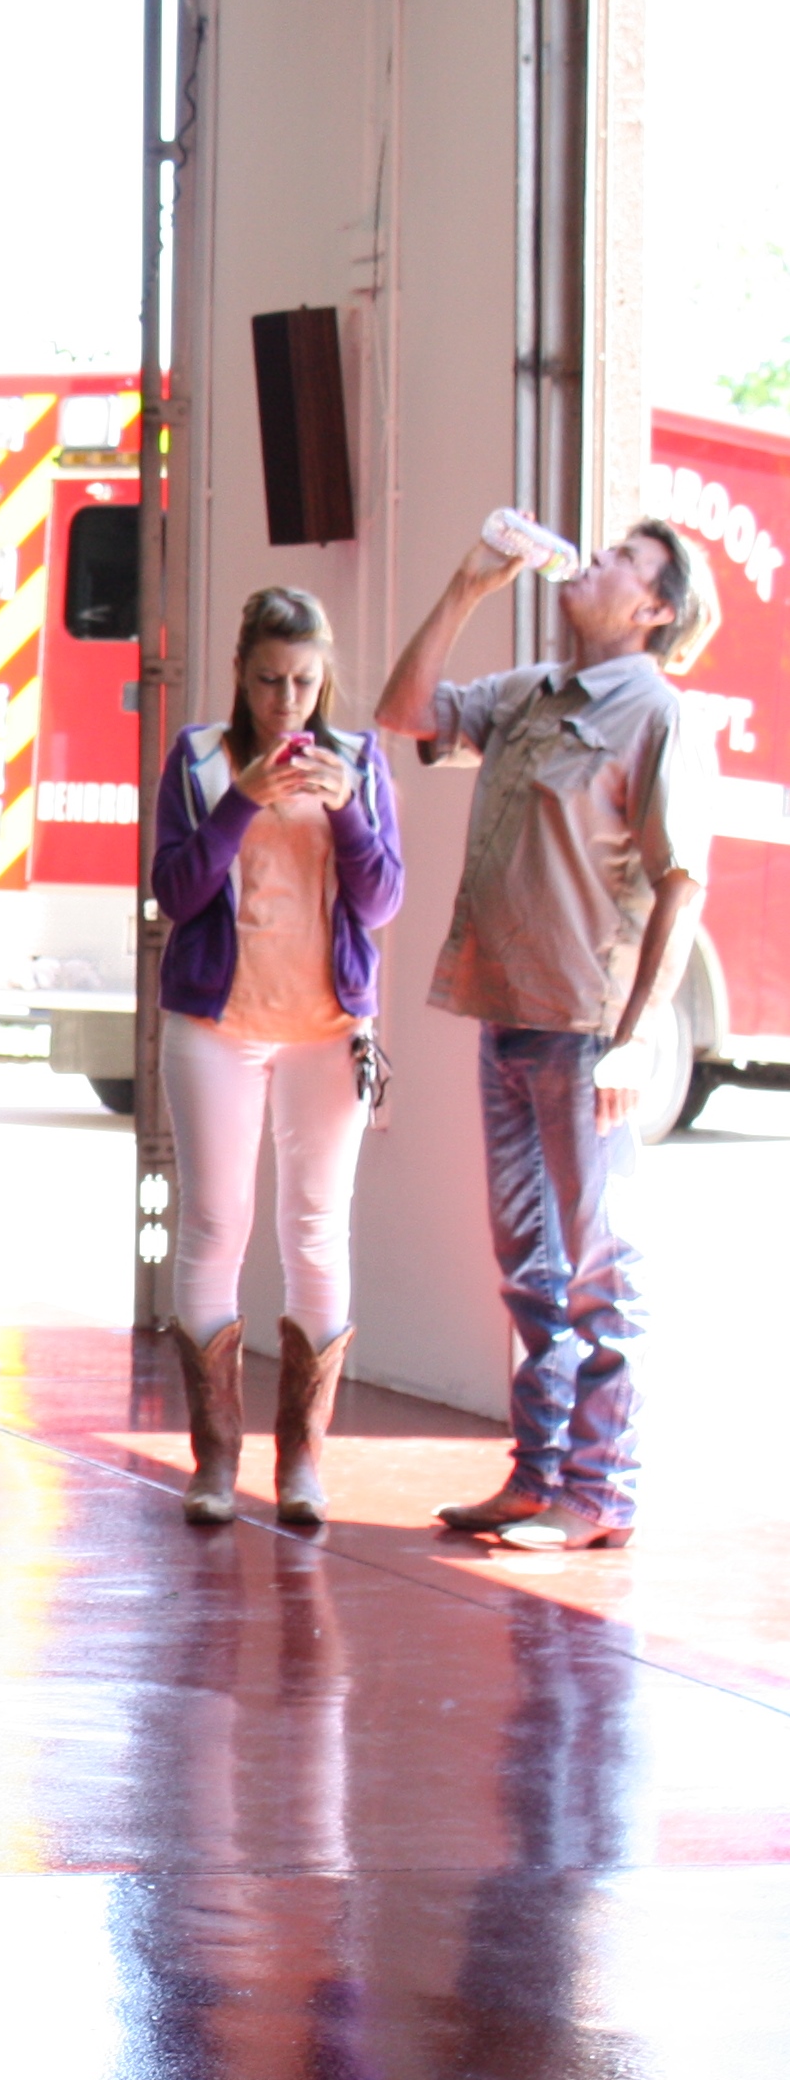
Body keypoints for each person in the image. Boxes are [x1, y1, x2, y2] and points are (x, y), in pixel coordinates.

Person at [374, 516, 717, 1554]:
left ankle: (600, 1492)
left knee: (600, 1267)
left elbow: (679, 883)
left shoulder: (655, 714)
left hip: (582, 1028)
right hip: (507, 1011)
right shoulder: (530, 694)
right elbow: (402, 712)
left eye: (622, 560)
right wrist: (465, 586)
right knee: (530, 1266)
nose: (594, 558)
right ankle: (538, 1475)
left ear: (652, 609)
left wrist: (634, 1035)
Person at [149, 587, 406, 1526]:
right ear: (240, 672)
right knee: (216, 1222)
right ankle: (216, 1461)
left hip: (328, 1028)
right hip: (216, 1023)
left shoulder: (360, 763)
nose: (287, 700)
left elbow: (382, 902)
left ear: (323, 676)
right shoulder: (198, 759)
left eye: (303, 681)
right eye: (268, 680)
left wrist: (346, 813)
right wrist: (241, 801)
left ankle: (301, 1463)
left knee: (317, 1229)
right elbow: (176, 891)